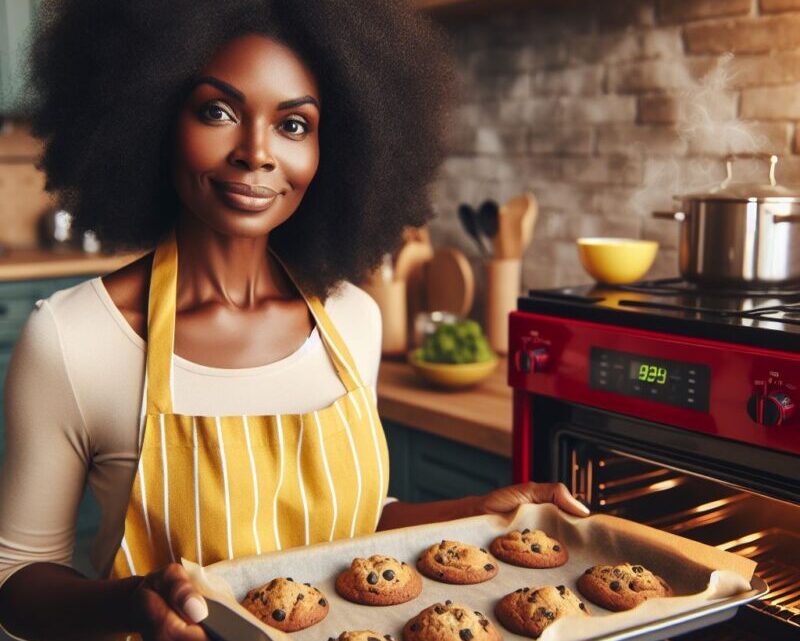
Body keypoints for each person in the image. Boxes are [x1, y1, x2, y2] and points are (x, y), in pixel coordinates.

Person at [0, 1, 589, 639]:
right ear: (151, 119)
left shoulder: (352, 321)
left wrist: (478, 514)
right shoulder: (78, 337)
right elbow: (17, 580)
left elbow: (351, 527)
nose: (255, 153)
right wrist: (131, 602)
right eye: (217, 112)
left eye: (294, 124)